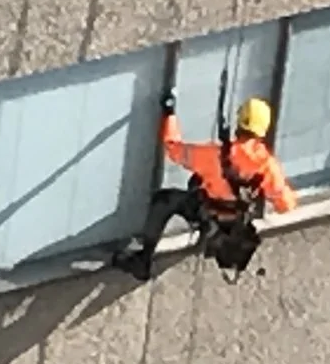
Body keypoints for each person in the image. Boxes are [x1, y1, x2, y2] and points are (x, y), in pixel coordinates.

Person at [117, 94, 299, 280]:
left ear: (240, 122)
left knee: (164, 200)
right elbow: (286, 205)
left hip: (206, 213)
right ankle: (209, 234)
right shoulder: (268, 166)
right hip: (234, 223)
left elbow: (174, 150)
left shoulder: (214, 156)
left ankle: (143, 259)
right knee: (199, 183)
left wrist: (169, 113)